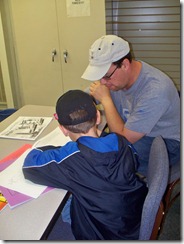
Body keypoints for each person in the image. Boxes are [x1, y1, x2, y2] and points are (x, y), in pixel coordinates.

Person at [22, 89, 148, 240]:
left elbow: (30, 166)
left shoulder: (70, 158)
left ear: (62, 129)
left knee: (60, 199)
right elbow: (135, 161)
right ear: (98, 117)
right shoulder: (122, 142)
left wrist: (46, 149)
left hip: (99, 232)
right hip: (133, 220)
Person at [81, 34, 180, 176]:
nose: (102, 82)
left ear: (125, 65)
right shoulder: (116, 77)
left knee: (108, 158)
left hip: (165, 143)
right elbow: (86, 96)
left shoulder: (155, 90)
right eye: (99, 76)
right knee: (93, 147)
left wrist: (106, 100)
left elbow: (123, 140)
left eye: (106, 76)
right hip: (133, 131)